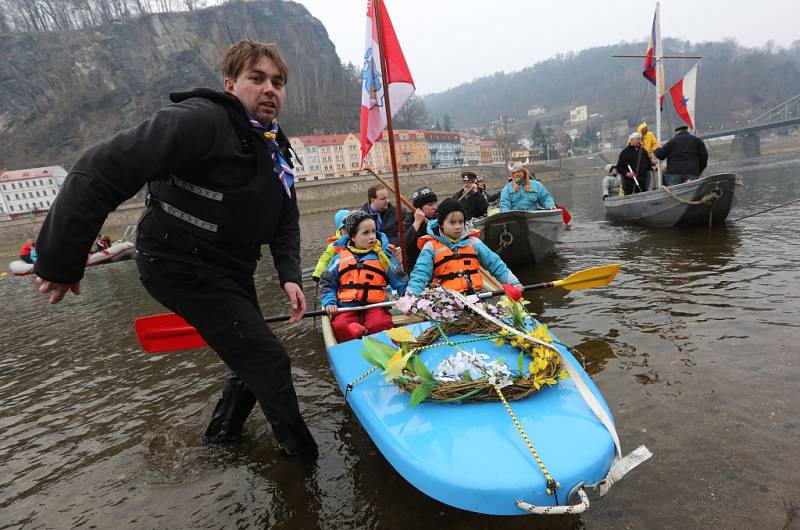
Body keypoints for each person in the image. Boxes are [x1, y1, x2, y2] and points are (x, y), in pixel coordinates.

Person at [32, 39, 318, 458]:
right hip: (177, 263)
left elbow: (285, 220)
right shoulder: (200, 121)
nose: (269, 89)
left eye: (277, 81)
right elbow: (99, 168)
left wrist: (289, 274)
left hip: (229, 269)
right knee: (270, 359)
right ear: (230, 84)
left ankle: (222, 440)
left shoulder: (274, 148)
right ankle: (303, 464)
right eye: (256, 79)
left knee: (252, 355)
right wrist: (62, 259)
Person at [320, 211, 407, 342]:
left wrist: (408, 298)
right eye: (366, 233)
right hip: (347, 306)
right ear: (353, 237)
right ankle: (356, 338)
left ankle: (380, 346)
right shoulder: (339, 259)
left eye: (373, 231)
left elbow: (400, 280)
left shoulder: (383, 257)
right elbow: (327, 283)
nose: (372, 236)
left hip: (375, 305)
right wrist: (330, 302)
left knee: (379, 324)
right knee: (340, 325)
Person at [407, 198, 522, 295]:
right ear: (441, 224)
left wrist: (514, 283)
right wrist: (411, 296)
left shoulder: (473, 242)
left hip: (477, 295)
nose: (458, 227)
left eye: (461, 222)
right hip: (449, 299)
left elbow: (496, 264)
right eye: (452, 222)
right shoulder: (431, 247)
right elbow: (420, 274)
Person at [403, 186, 437, 270]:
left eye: (435, 203)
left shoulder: (438, 217)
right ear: (419, 208)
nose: (435, 207)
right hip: (417, 264)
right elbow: (404, 244)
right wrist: (417, 222)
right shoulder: (409, 220)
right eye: (430, 205)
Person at [311, 209, 350, 282]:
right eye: (345, 227)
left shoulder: (360, 238)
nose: (349, 229)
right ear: (339, 229)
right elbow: (324, 260)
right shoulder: (334, 245)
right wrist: (317, 274)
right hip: (341, 275)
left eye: (351, 226)